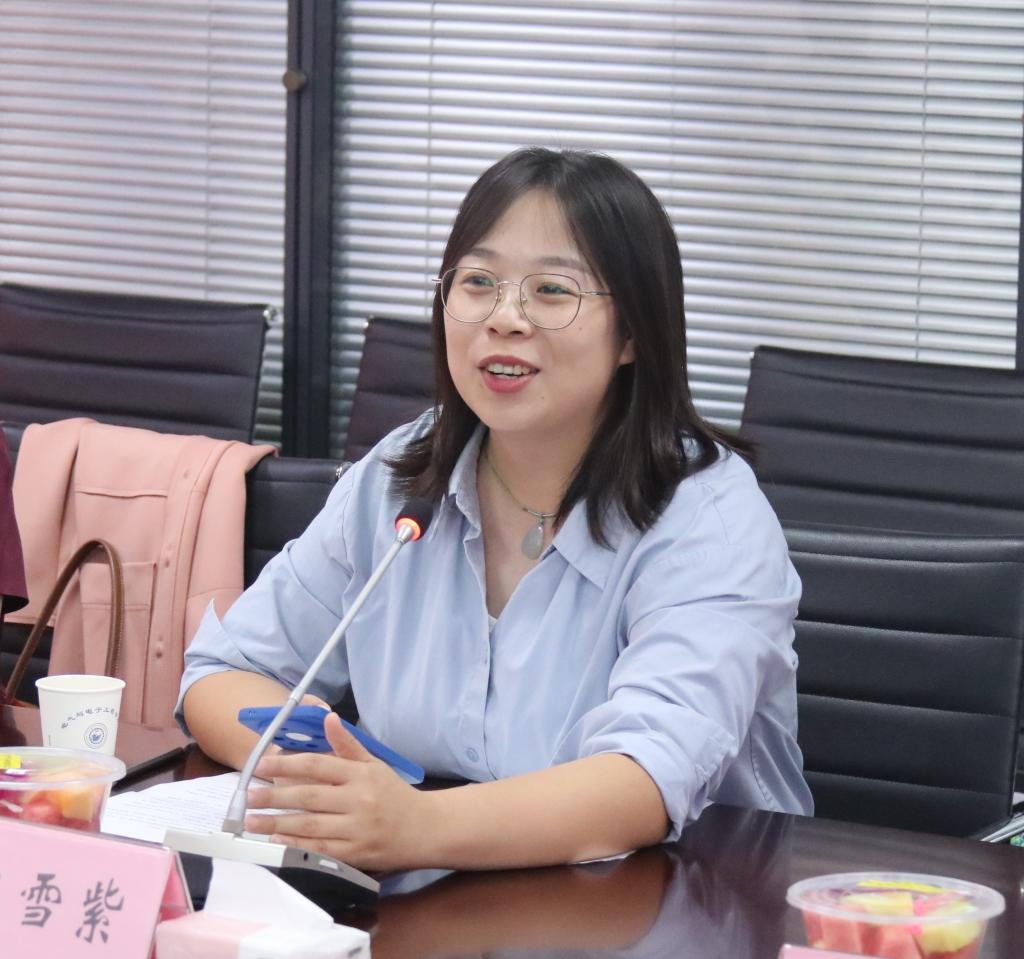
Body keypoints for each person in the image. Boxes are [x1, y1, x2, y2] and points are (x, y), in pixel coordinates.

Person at [176, 146, 813, 872]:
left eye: (552, 291)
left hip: (684, 896)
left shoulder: (706, 518)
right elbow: (221, 674)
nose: (505, 318)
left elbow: (644, 778)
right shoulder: (398, 477)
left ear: (633, 333)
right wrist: (325, 772)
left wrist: (416, 823)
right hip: (438, 893)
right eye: (478, 282)